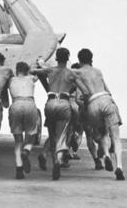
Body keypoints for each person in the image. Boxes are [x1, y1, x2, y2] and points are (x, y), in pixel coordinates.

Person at [74, 48, 125, 180]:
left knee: (100, 134)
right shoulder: (98, 71)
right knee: (115, 137)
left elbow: (79, 98)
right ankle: (119, 166)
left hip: (92, 104)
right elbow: (108, 90)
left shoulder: (77, 72)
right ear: (91, 59)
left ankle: (106, 155)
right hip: (106, 99)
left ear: (79, 60)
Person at [32, 48, 80, 180]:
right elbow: (83, 87)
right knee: (61, 136)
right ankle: (58, 161)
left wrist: (41, 65)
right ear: (68, 58)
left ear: (57, 58)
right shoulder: (71, 73)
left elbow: (35, 71)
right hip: (64, 103)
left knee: (52, 135)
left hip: (50, 103)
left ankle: (47, 156)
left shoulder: (50, 70)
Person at [8, 62, 39, 179]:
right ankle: (26, 151)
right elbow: (37, 74)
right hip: (30, 104)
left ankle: (19, 169)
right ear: (27, 71)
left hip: (16, 104)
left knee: (17, 142)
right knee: (31, 136)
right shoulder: (31, 78)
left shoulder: (11, 80)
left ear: (16, 70)